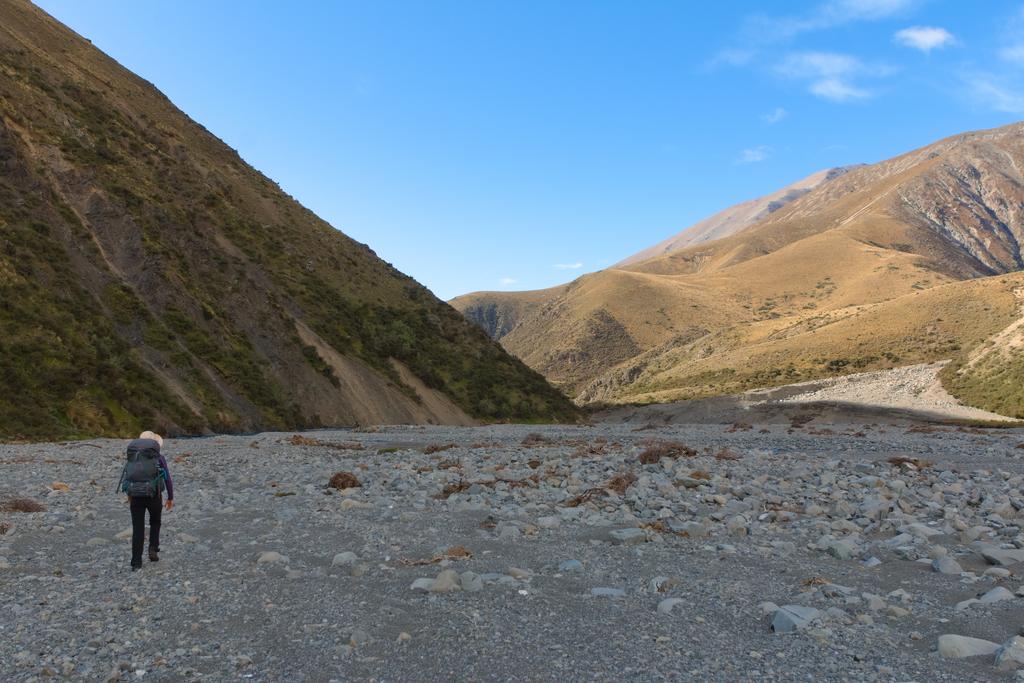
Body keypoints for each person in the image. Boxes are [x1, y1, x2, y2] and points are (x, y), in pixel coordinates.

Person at [117, 430, 174, 571]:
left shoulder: (133, 456)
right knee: (155, 522)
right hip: (154, 495)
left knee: (138, 528)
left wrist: (129, 495)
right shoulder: (159, 458)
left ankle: (136, 562)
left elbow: (128, 476)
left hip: (135, 496)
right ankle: (153, 549)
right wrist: (170, 497)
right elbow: (167, 478)